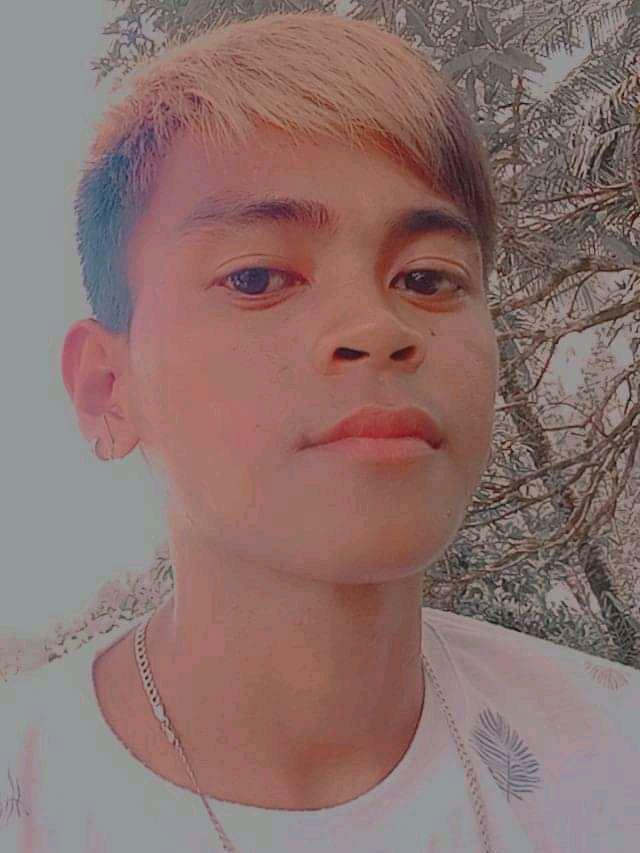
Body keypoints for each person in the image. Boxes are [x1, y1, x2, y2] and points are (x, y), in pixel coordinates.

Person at [2, 9, 639, 853]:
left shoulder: (613, 762)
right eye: (257, 276)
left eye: (427, 278)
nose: (376, 326)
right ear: (106, 388)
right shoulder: (30, 793)